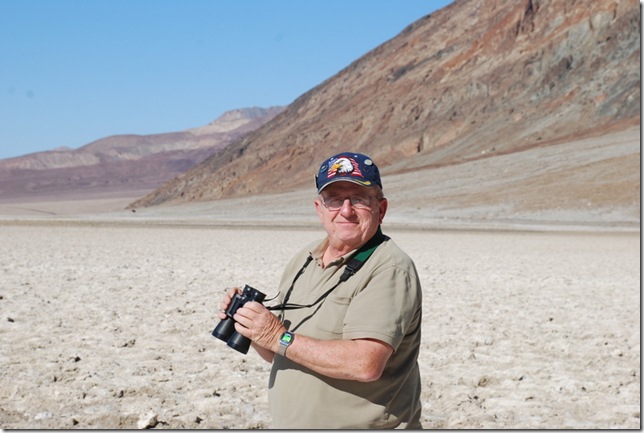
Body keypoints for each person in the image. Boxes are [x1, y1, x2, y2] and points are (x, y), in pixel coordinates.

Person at [218, 152, 423, 429]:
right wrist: (252, 328)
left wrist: (276, 335)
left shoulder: (389, 268)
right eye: (335, 200)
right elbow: (278, 351)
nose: (346, 210)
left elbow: (366, 363)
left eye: (359, 199)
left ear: (381, 209)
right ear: (319, 208)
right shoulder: (307, 258)